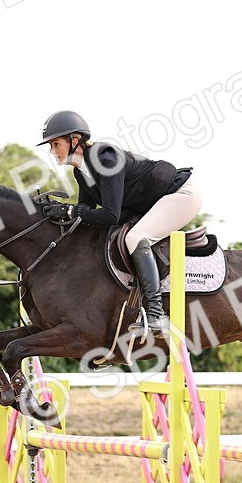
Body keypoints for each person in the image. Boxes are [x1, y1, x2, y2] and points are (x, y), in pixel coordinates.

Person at [37, 110, 201, 338]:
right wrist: (56, 215)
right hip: (153, 204)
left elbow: (111, 215)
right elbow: (86, 217)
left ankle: (156, 315)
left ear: (75, 141)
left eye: (56, 144)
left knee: (135, 238)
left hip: (180, 195)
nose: (52, 151)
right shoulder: (81, 173)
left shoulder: (106, 159)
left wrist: (73, 210)